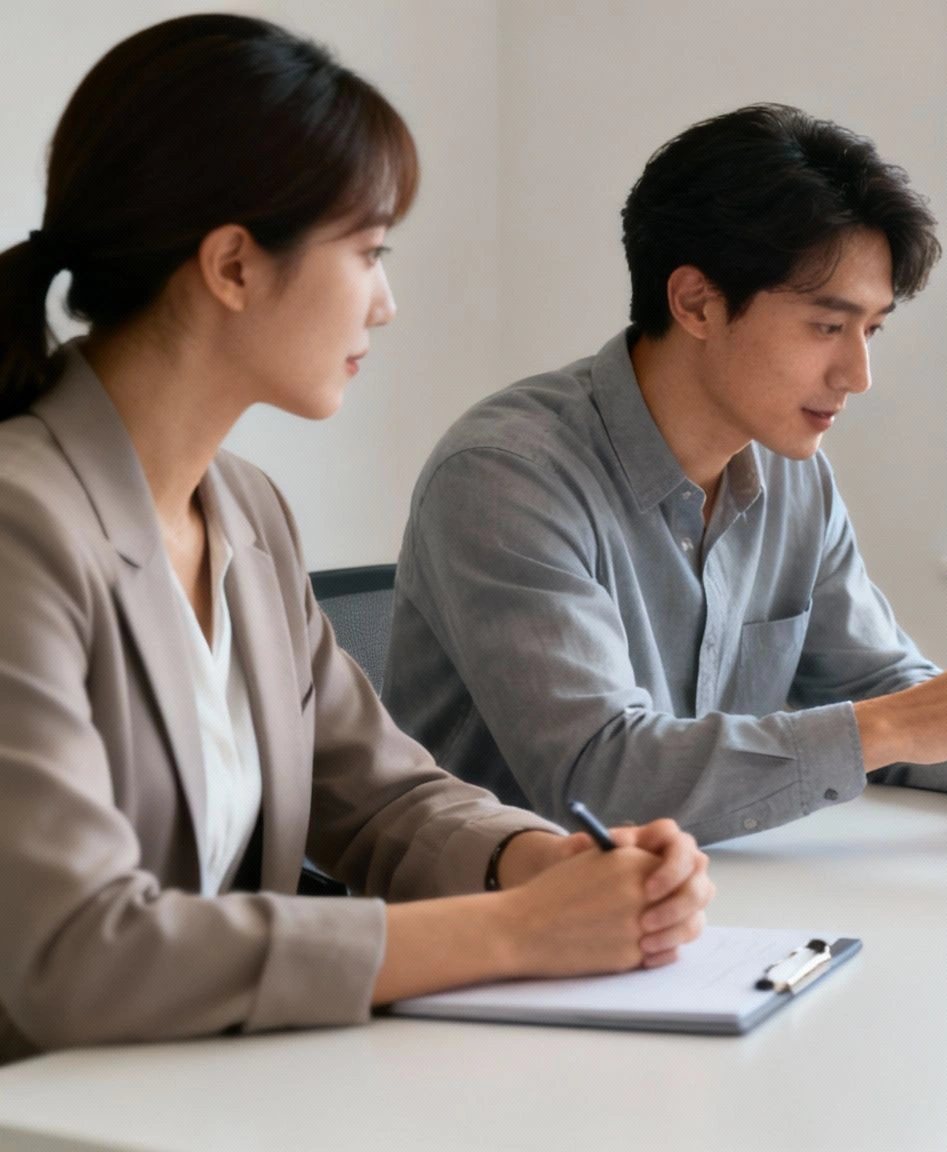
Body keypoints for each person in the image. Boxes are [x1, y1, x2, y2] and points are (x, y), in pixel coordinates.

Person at [0, 14, 715, 1063]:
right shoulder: (23, 524)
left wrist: (541, 863)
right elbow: (74, 955)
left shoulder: (243, 510)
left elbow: (379, 799)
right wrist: (512, 933)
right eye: (370, 252)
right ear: (235, 266)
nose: (385, 304)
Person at [382, 104, 947, 843]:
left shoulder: (790, 474)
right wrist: (893, 725)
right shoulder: (507, 477)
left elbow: (872, 687)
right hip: (498, 923)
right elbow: (599, 779)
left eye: (871, 330)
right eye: (827, 326)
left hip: (704, 901)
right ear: (696, 302)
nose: (858, 374)